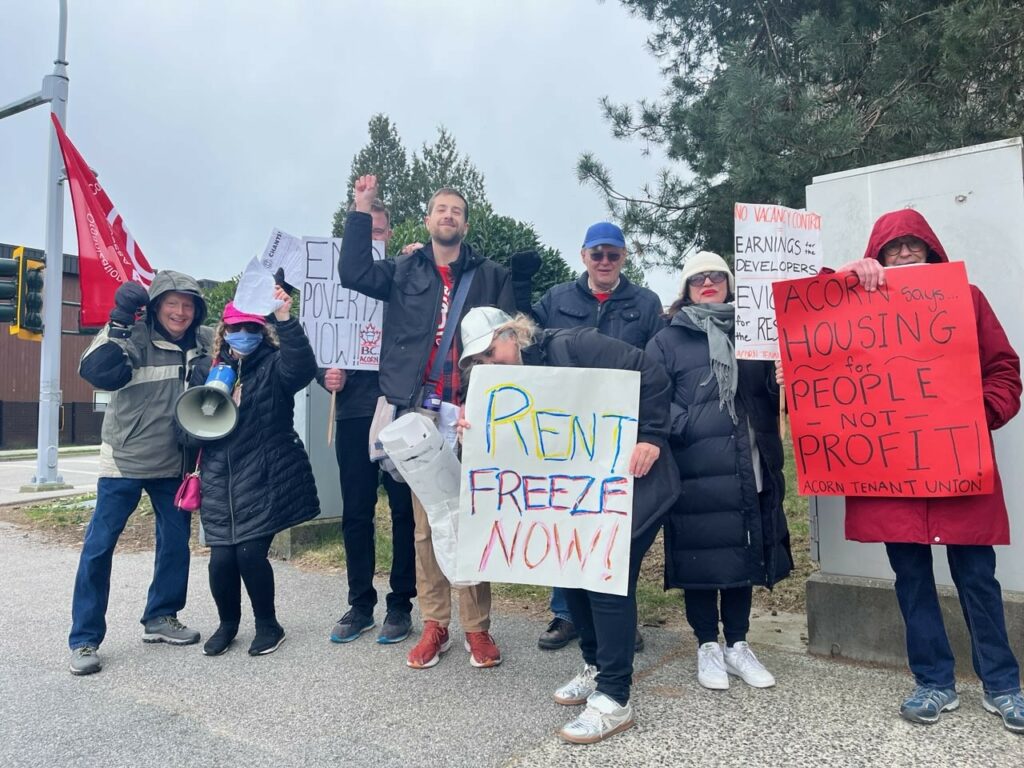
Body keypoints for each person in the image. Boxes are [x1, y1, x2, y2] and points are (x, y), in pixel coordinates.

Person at [828, 209, 1023, 733]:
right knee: (911, 580)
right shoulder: (856, 304)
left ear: (932, 251)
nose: (906, 253)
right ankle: (934, 681)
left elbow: (1004, 370)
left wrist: (977, 412)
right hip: (894, 476)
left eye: (915, 245)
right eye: (895, 248)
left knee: (978, 578)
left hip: (959, 470)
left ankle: (1003, 685)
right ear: (879, 256)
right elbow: (813, 324)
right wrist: (847, 276)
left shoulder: (969, 299)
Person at [458, 307, 679, 743]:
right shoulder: (494, 390)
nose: (487, 365)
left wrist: (652, 434)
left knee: (605, 580)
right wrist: (475, 433)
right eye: (476, 363)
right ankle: (596, 668)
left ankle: (615, 698)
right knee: (571, 575)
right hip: (571, 503)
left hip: (632, 485)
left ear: (511, 334)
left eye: (489, 352)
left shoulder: (574, 346)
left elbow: (649, 372)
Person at [339, 174, 516, 670]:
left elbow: (507, 343)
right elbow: (352, 272)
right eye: (440, 209)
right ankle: (436, 623)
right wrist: (361, 207)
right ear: (428, 219)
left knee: (474, 519)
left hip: (475, 411)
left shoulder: (491, 275)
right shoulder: (402, 269)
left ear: (465, 222)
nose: (448, 216)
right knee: (426, 525)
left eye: (456, 210)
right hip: (420, 413)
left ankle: (477, 629)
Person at [645, 251, 792, 691]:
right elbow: (651, 398)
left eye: (715, 276)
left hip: (749, 466)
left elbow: (765, 393)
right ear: (686, 289)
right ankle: (707, 644)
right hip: (696, 469)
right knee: (701, 555)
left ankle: (739, 643)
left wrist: (781, 377)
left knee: (744, 552)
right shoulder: (668, 340)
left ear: (728, 282)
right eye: (697, 278)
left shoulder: (756, 334)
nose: (707, 283)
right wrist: (688, 424)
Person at [69, 273, 213, 676]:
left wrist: (270, 306)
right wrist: (117, 322)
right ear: (155, 305)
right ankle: (84, 638)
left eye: (188, 305)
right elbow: (94, 370)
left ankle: (161, 617)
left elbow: (242, 336)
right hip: (124, 461)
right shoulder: (130, 333)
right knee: (98, 548)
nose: (180, 312)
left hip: (174, 463)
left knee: (175, 544)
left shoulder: (203, 341)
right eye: (172, 303)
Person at [531, 220, 664, 651]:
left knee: (615, 523)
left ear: (624, 258)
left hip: (620, 430)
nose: (605, 261)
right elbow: (525, 346)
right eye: (597, 253)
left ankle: (617, 616)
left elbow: (657, 365)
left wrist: (649, 431)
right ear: (583, 255)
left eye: (613, 254)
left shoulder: (645, 303)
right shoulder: (555, 299)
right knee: (564, 516)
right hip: (566, 430)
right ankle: (565, 613)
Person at [197, 292, 321, 657]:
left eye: (252, 327)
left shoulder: (274, 365)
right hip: (220, 480)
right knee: (221, 561)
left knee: (250, 554)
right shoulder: (207, 371)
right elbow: (187, 426)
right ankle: (227, 624)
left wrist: (285, 319)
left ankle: (268, 624)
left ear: (262, 330)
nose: (244, 334)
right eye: (237, 328)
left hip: (262, 475)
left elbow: (301, 368)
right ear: (224, 331)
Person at [318, 198, 416, 646]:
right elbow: (318, 343)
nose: (373, 239)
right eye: (366, 232)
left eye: (379, 232)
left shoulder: (403, 271)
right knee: (356, 511)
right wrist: (325, 375)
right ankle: (360, 603)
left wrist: (419, 264)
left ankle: (401, 604)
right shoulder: (338, 279)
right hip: (355, 410)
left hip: (398, 406)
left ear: (388, 234)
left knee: (403, 511)